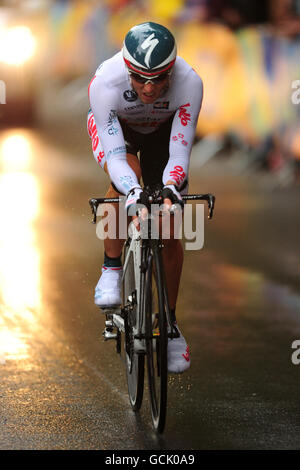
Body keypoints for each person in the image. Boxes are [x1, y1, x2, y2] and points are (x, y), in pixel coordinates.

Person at [87, 22, 203, 373]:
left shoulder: (190, 83)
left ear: (172, 70)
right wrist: (134, 193)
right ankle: (110, 268)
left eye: (158, 78)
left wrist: (171, 190)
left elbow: (179, 156)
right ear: (127, 70)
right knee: (127, 178)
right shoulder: (106, 82)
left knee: (168, 225)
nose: (149, 88)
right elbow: (117, 158)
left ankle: (169, 324)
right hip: (119, 134)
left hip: (164, 135)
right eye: (139, 79)